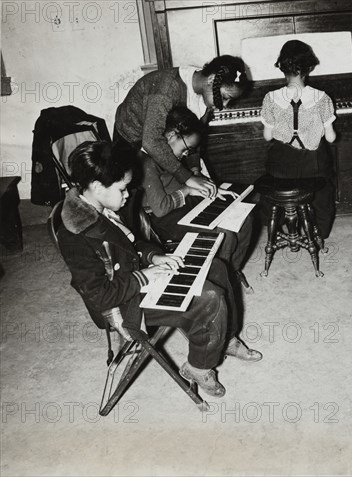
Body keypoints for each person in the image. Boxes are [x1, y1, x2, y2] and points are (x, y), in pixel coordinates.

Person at [57, 141, 261, 399]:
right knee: (208, 298)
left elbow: (130, 242)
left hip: (136, 277)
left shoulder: (101, 206)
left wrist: (153, 256)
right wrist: (144, 276)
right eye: (122, 189)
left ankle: (225, 339)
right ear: (97, 187)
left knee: (217, 268)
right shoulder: (75, 234)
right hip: (123, 304)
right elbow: (99, 297)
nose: (128, 194)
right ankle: (199, 366)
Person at [140, 105, 253, 283]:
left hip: (185, 205)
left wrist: (209, 189)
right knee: (224, 234)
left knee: (244, 219)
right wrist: (188, 190)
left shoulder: (172, 154)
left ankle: (232, 271)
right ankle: (219, 279)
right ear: (170, 136)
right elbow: (161, 209)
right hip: (163, 219)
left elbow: (188, 181)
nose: (185, 154)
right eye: (185, 148)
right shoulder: (148, 162)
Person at [113, 55, 250, 199]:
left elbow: (194, 138)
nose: (225, 106)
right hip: (131, 141)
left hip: (159, 143)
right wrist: (188, 178)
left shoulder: (206, 92)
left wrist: (195, 170)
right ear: (211, 79)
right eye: (225, 97)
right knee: (133, 196)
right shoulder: (167, 89)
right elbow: (151, 140)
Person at [260, 40, 337, 239]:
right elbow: (330, 137)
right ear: (308, 67)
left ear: (282, 68)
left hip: (281, 168)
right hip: (314, 167)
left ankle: (279, 229)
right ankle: (320, 233)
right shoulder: (322, 97)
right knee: (325, 188)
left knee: (273, 171)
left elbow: (267, 136)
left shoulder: (270, 97)